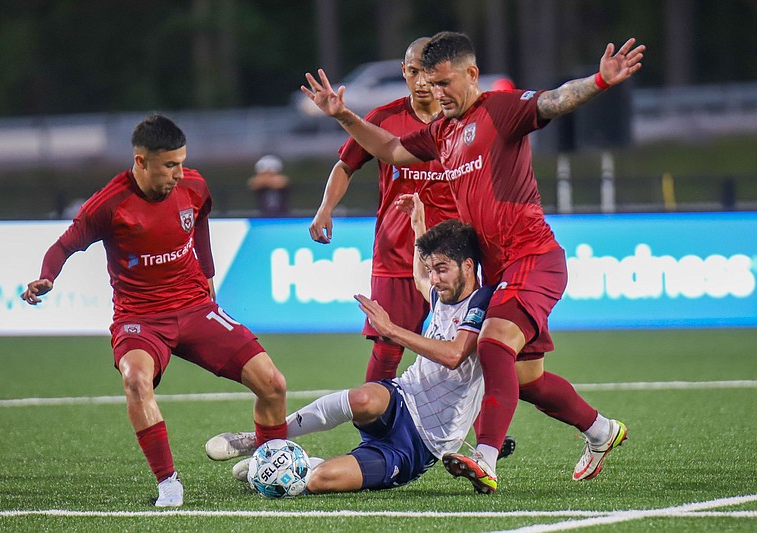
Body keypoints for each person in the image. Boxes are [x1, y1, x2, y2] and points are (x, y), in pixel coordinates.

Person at [301, 32, 644, 492]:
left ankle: (484, 457)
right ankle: (601, 430)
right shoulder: (442, 132)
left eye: (444, 82)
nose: (436, 92)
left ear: (472, 74)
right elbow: (390, 149)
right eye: (429, 82)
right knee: (526, 380)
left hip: (534, 256)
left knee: (492, 342)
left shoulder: (501, 111)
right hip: (497, 270)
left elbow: (557, 100)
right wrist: (343, 114)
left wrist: (600, 81)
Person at [20, 114, 288, 507]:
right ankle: (168, 483)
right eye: (169, 165)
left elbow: (200, 223)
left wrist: (208, 275)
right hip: (140, 319)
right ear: (141, 161)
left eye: (181, 162)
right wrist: (47, 277)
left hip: (195, 306)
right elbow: (64, 245)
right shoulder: (110, 204)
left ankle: (268, 462)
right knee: (135, 381)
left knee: (274, 384)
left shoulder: (194, 184)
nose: (179, 173)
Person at [207, 195, 514, 493]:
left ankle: (282, 465)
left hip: (422, 443)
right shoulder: (440, 292)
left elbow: (455, 355)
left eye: (442, 269)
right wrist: (418, 222)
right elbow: (420, 275)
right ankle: (264, 439)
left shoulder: (484, 302)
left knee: (319, 480)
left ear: (468, 266)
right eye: (432, 269)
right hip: (403, 399)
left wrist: (391, 329)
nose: (434, 279)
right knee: (364, 397)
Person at [309, 37, 459, 381]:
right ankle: (375, 431)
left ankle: (486, 436)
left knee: (467, 349)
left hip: (453, 253)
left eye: (429, 73)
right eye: (414, 72)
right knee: (388, 346)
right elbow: (345, 165)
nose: (421, 82)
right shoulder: (384, 119)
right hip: (397, 255)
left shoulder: (461, 121)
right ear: (403, 72)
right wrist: (325, 208)